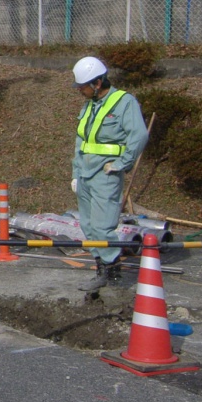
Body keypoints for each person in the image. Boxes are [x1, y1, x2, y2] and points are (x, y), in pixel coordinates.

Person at [71, 56, 149, 292]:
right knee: (88, 225)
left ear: (97, 83)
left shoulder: (123, 102)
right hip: (85, 174)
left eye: (82, 87)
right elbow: (81, 141)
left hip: (105, 174)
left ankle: (113, 275)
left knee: (104, 227)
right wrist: (75, 172)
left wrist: (121, 163)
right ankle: (101, 269)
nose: (80, 91)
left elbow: (139, 135)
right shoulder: (90, 105)